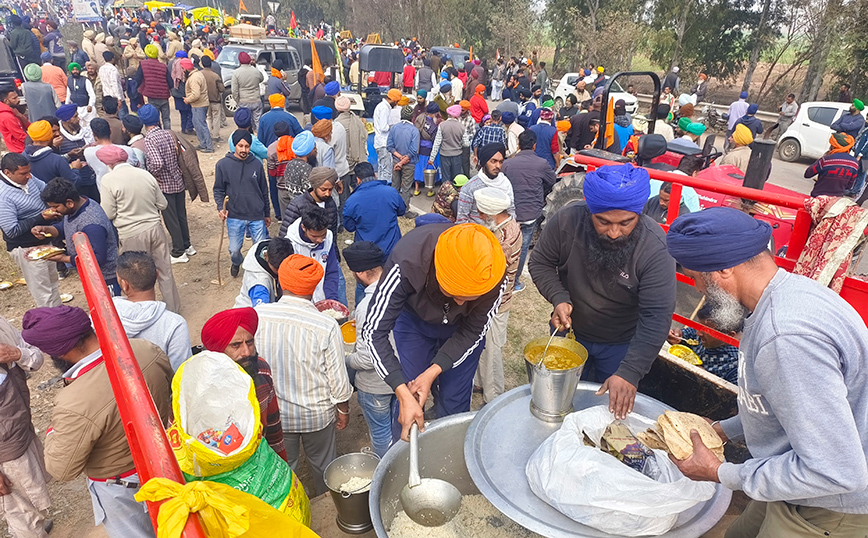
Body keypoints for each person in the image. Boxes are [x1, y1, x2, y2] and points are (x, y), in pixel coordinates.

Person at [665, 207, 868, 538]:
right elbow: (780, 402)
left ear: (722, 271)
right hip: (792, 474)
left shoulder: (786, 338)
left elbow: (837, 472)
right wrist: (722, 429)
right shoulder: (786, 293)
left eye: (697, 278)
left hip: (829, 504)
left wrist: (720, 472)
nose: (700, 290)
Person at [529, 163, 676, 420]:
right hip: (570, 333)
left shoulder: (654, 248)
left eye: (626, 222)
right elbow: (539, 262)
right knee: (559, 405)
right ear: (590, 211)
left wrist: (630, 372)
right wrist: (559, 298)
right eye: (603, 221)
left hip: (621, 345)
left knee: (607, 417)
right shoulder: (566, 221)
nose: (614, 232)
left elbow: (656, 316)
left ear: (639, 214)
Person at [20, 305, 172, 538]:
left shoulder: (74, 401)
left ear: (60, 354)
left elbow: (61, 469)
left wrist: (52, 431)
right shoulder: (144, 349)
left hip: (121, 488)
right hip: (166, 460)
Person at [361, 222, 506, 439]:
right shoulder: (407, 260)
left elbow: (474, 331)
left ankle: (451, 450)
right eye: (455, 293)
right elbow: (373, 332)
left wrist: (433, 371)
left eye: (468, 299)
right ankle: (400, 453)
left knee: (455, 400)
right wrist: (400, 390)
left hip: (461, 331)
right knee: (410, 392)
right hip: (414, 325)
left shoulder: (492, 273)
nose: (460, 302)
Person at [255, 254, 352, 495]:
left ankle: (291, 511)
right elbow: (338, 381)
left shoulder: (258, 316)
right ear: (314, 286)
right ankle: (327, 504)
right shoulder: (326, 326)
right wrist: (343, 409)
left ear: (281, 282)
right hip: (316, 416)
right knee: (324, 465)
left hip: (276, 416)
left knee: (285, 467)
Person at [97, 145, 179, 312]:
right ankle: (173, 309)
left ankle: (143, 311)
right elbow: (162, 204)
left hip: (130, 234)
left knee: (136, 276)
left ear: (108, 163)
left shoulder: (108, 180)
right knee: (164, 271)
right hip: (155, 228)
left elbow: (108, 212)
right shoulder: (145, 174)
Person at [200, 308, 288, 461]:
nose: (246, 352)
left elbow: (274, 427)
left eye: (249, 342)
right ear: (218, 351)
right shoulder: (197, 389)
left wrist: (282, 463)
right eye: (236, 345)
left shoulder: (262, 371)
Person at [342, 242, 396, 457]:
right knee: (396, 425)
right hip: (402, 376)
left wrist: (345, 359)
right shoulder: (398, 291)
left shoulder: (367, 307)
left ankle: (384, 468)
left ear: (360, 273)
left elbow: (368, 359)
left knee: (381, 431)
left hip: (376, 385)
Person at [0, 315, 50, 538]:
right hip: (7, 452)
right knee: (19, 512)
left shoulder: (2, 323)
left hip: (23, 431)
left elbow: (36, 358)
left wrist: (17, 354)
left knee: (30, 503)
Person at [473, 188, 521, 404]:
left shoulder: (505, 237)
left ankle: (493, 397)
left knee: (492, 351)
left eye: (482, 214)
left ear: (492, 214)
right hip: (490, 302)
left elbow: (488, 268)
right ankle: (481, 383)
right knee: (481, 344)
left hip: (497, 303)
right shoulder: (504, 226)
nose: (480, 217)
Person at [33, 177, 120, 294]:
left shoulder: (91, 223)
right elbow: (65, 227)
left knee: (108, 310)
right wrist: (46, 229)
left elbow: (98, 258)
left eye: (55, 206)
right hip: (92, 275)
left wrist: (64, 258)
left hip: (105, 278)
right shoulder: (79, 204)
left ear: (69, 203)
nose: (52, 210)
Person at [0, 152, 60, 307]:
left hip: (45, 239)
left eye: (29, 171)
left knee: (53, 283)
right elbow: (11, 230)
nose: (29, 176)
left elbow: (46, 191)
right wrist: (40, 218)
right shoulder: (3, 196)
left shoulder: (29, 179)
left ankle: (62, 319)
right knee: (43, 292)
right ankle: (53, 325)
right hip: (27, 247)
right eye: (23, 173)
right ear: (8, 173)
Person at [113, 251, 189, 369]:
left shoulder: (104, 316)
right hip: (160, 385)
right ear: (157, 275)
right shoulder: (175, 324)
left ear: (124, 284)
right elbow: (181, 370)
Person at [501, 131, 556, 292]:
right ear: (534, 145)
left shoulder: (507, 164)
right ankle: (515, 281)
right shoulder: (542, 163)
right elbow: (551, 181)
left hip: (510, 213)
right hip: (531, 213)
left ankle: (502, 276)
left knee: (506, 243)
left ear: (518, 145)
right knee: (522, 247)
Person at [139, 104, 193, 264]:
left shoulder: (149, 139)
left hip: (165, 184)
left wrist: (151, 173)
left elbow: (156, 162)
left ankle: (178, 252)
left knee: (171, 219)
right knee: (181, 215)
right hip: (178, 179)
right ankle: (187, 244)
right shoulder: (168, 134)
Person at [215, 130, 270, 278]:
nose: (244, 150)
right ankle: (237, 262)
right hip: (234, 215)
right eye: (240, 146)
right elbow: (218, 190)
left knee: (260, 248)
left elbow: (264, 190)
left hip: (256, 214)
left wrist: (266, 214)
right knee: (234, 249)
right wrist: (221, 207)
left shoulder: (257, 165)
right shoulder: (222, 165)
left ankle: (258, 273)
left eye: (247, 146)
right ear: (235, 145)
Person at [666, 303, 740, 384]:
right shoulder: (697, 335)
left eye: (707, 330)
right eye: (699, 326)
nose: (698, 333)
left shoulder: (735, 366)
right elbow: (685, 334)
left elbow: (729, 394)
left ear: (729, 335)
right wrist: (676, 335)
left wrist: (703, 376)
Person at [283, 206, 340, 303]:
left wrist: (331, 299)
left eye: (323, 235)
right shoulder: (291, 245)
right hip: (300, 302)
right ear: (303, 228)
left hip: (322, 298)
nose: (320, 240)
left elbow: (331, 271)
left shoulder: (329, 237)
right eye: (314, 236)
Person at [456, 143, 515, 224]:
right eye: (493, 161)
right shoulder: (469, 188)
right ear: (484, 162)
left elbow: (511, 210)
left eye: (501, 162)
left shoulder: (505, 183)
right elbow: (461, 220)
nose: (498, 166)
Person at [25, 119, 88, 193]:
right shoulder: (58, 160)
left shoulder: (23, 155)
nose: (57, 134)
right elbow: (74, 183)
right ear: (49, 135)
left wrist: (68, 155)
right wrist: (75, 169)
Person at [234, 237, 295, 308]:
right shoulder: (260, 284)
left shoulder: (268, 248)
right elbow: (260, 311)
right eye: (279, 269)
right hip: (250, 313)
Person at [83, 119, 140, 186]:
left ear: (94, 134)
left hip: (105, 191)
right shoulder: (128, 150)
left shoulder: (88, 152)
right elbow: (137, 166)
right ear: (110, 131)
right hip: (128, 187)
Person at [804, 133, 859, 197]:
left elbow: (807, 174)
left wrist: (822, 158)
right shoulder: (854, 163)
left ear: (834, 146)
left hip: (818, 197)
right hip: (836, 200)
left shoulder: (826, 160)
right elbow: (849, 186)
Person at [387, 105, 420, 206]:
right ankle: (404, 209)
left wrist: (399, 159)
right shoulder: (414, 130)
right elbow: (413, 150)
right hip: (409, 163)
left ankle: (393, 207)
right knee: (406, 188)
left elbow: (389, 146)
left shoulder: (394, 128)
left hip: (396, 161)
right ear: (412, 116)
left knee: (395, 186)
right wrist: (403, 161)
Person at [134, 44, 172, 129]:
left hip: (152, 95)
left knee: (155, 118)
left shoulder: (143, 64)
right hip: (164, 95)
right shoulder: (163, 66)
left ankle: (158, 134)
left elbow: (138, 78)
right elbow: (170, 82)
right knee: (166, 119)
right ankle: (168, 133)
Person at [281, 131, 317, 215]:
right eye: (314, 148)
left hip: (293, 207)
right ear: (309, 150)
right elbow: (309, 194)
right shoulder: (306, 169)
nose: (316, 150)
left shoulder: (289, 164)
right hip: (305, 211)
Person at [181, 58, 212, 152]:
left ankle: (208, 146)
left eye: (182, 68)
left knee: (201, 125)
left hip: (199, 105)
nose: (182, 71)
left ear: (186, 68)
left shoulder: (194, 78)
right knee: (198, 125)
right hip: (200, 104)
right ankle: (203, 144)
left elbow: (196, 94)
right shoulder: (197, 74)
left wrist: (187, 99)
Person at [335, 95, 369, 181]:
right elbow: (365, 136)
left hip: (344, 166)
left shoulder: (337, 124)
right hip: (359, 162)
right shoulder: (357, 121)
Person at [429, 104, 465, 182]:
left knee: (446, 177)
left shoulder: (442, 125)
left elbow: (437, 143)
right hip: (457, 155)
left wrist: (432, 158)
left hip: (444, 155)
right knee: (456, 178)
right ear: (457, 115)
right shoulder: (461, 126)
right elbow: (466, 143)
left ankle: (446, 193)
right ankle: (454, 193)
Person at [232, 52, 264, 131]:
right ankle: (259, 138)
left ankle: (246, 138)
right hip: (256, 100)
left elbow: (234, 90)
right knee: (257, 122)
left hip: (243, 100)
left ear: (239, 61)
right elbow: (262, 79)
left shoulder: (236, 73)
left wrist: (238, 100)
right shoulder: (256, 71)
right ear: (249, 60)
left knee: (244, 123)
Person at [374, 88, 401, 184]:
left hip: (380, 142)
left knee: (381, 169)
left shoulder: (382, 106)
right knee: (386, 171)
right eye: (396, 102)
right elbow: (384, 127)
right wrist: (394, 126)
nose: (396, 104)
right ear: (393, 100)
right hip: (384, 142)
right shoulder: (384, 108)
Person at [198, 56, 225, 143]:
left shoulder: (199, 75)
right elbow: (222, 89)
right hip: (215, 100)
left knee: (208, 117)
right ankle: (216, 136)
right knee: (216, 118)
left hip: (204, 100)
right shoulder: (215, 76)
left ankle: (208, 135)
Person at [99, 52, 126, 118]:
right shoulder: (113, 69)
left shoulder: (101, 69)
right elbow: (114, 84)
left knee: (111, 115)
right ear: (112, 59)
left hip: (107, 95)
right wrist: (119, 98)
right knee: (123, 114)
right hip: (115, 96)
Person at [0, 87, 27, 153]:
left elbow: (28, 125)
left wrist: (20, 116)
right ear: (6, 100)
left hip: (22, 147)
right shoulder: (7, 117)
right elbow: (20, 136)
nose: (18, 100)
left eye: (17, 97)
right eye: (14, 98)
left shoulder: (13, 110)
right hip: (20, 150)